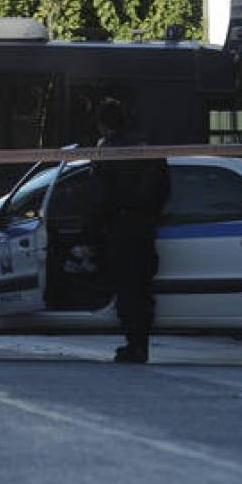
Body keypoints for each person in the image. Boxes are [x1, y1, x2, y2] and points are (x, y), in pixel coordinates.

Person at [95, 98, 170, 364]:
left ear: (104, 125)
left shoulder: (108, 150)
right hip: (145, 226)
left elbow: (100, 194)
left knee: (127, 288)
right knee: (142, 288)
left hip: (122, 227)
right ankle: (141, 344)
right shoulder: (147, 147)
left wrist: (101, 225)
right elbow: (163, 189)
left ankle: (133, 344)